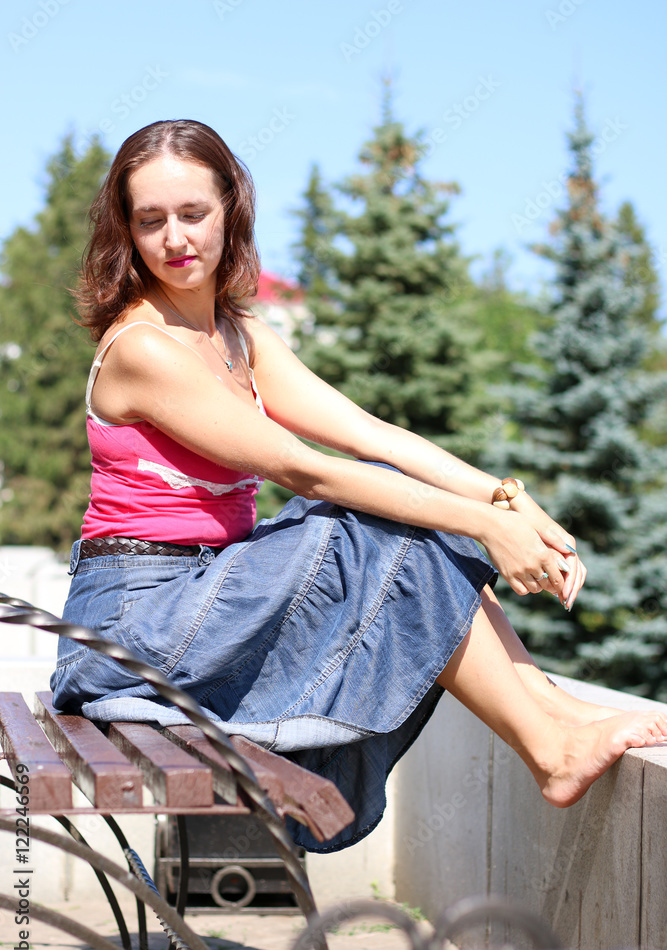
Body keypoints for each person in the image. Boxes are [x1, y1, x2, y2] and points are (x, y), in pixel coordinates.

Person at [52, 120, 667, 852]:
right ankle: (549, 743)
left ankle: (554, 715)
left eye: (193, 214)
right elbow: (304, 468)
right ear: (127, 229)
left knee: (396, 497)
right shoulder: (144, 347)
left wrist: (509, 503)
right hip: (134, 626)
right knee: (378, 514)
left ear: (231, 209)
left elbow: (371, 435)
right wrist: (483, 526)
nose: (174, 238)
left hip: (201, 597)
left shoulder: (234, 334)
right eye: (150, 220)